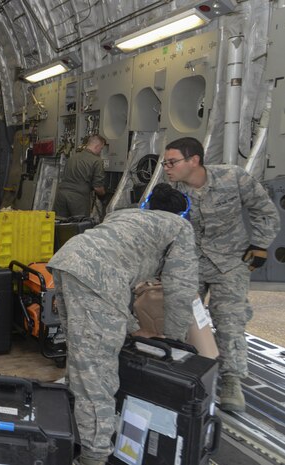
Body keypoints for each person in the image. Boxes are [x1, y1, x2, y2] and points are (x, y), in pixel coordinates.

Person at [47, 183, 198, 465]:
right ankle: (94, 457)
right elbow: (180, 288)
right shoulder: (180, 227)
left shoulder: (127, 216)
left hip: (68, 261)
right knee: (96, 374)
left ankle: (70, 427)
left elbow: (120, 279)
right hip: (96, 277)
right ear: (182, 213)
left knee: (82, 357)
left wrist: (129, 326)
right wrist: (175, 341)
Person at [163, 137, 280, 412]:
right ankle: (179, 374)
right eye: (165, 163)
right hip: (191, 263)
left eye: (172, 162)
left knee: (230, 321)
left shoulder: (233, 177)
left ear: (194, 160)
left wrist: (260, 244)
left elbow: (264, 210)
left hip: (230, 263)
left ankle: (231, 380)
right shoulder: (171, 191)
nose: (166, 168)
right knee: (178, 320)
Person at [53, 134, 106, 218]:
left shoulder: (72, 158)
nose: (100, 151)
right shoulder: (96, 161)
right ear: (97, 146)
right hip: (78, 198)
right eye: (101, 148)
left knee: (59, 225)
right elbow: (98, 187)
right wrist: (103, 197)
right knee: (80, 226)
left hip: (61, 195)